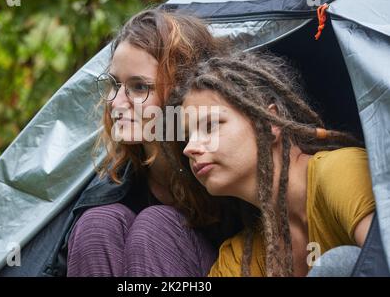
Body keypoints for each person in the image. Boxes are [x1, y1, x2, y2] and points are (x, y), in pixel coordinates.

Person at [160, 50, 375, 277]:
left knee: (340, 264)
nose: (189, 148)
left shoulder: (340, 170)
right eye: (187, 137)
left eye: (210, 126)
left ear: (267, 122)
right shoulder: (241, 256)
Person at [65, 8, 242, 277]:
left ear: (183, 90)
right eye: (114, 84)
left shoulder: (229, 163)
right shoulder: (113, 186)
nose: (116, 102)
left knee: (157, 226)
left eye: (138, 87)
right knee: (96, 224)